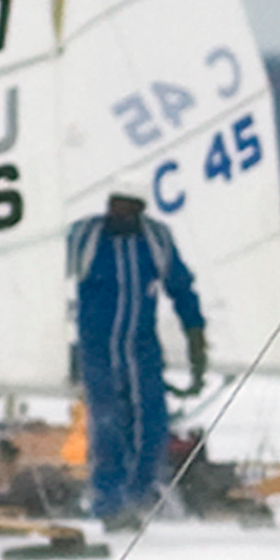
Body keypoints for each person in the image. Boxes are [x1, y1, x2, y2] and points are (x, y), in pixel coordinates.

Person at [66, 190, 208, 531]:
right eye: (116, 205)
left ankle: (139, 496)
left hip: (141, 347)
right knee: (107, 426)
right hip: (97, 347)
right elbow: (43, 280)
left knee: (153, 427)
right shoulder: (85, 236)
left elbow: (181, 287)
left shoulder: (156, 239)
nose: (120, 213)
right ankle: (109, 502)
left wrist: (195, 338)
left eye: (129, 207)